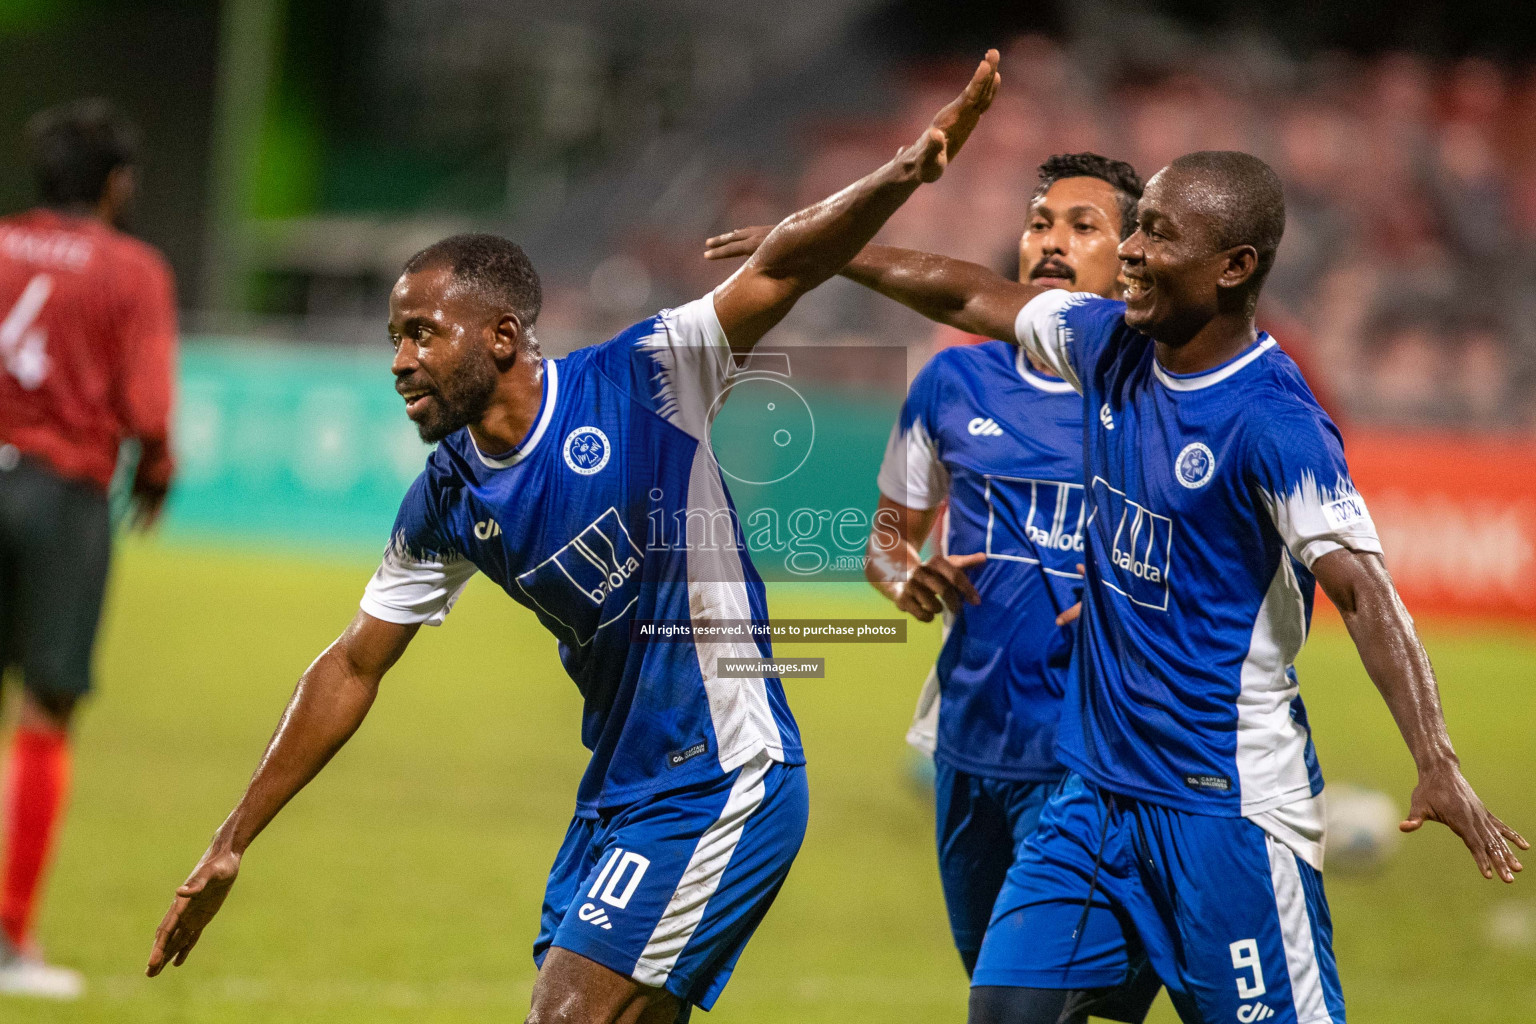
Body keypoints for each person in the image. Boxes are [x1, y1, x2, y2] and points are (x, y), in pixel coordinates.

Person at [145, 51, 1003, 1024]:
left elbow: (783, 264)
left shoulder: (644, 376)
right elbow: (351, 666)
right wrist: (232, 839)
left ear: (503, 336)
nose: (399, 360)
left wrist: (900, 175)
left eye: (423, 332)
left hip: (726, 775)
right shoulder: (446, 496)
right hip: (619, 794)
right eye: (395, 336)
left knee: (565, 1016)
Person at [746, 149, 1526, 1024]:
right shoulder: (1108, 345)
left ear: (1234, 267)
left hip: (1225, 810)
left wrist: (1437, 761)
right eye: (1138, 226)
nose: (1133, 252)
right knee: (1003, 1011)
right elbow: (964, 294)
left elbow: (1364, 591)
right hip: (1091, 797)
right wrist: (817, 247)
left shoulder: (1274, 423)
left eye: (1157, 233)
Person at [708, 153, 1158, 1021]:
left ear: (1132, 254)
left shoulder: (1150, 392)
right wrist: (907, 576)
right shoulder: (954, 383)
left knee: (1035, 1002)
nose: (1052, 242)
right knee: (1002, 988)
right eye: (1039, 223)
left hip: (1089, 757)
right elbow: (883, 542)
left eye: (1082, 226)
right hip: (969, 746)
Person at [0, 99, 176, 999]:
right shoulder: (131, 268)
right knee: (43, 712)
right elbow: (148, 411)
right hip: (59, 493)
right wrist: (156, 472)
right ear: (114, 184)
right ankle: (7, 941)